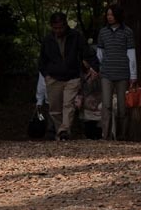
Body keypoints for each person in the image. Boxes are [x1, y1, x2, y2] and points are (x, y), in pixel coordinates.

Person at [38, 12, 98, 140]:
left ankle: (64, 131)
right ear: (51, 26)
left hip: (72, 76)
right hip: (53, 77)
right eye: (55, 28)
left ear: (65, 25)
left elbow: (87, 52)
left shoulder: (76, 36)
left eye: (61, 27)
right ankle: (61, 133)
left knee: (68, 105)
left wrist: (94, 67)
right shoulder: (47, 40)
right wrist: (46, 75)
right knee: (54, 108)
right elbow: (42, 60)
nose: (58, 30)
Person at [97, 2, 137, 140]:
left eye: (112, 14)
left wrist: (133, 75)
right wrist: (100, 67)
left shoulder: (127, 32)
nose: (109, 17)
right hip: (107, 72)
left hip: (122, 73)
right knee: (106, 105)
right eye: (107, 14)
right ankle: (106, 135)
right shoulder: (103, 32)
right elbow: (100, 53)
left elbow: (131, 54)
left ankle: (122, 135)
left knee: (122, 107)